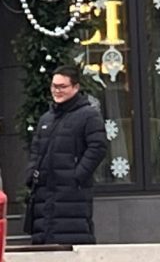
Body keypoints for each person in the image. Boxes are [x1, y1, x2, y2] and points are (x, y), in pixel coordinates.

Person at [24, 65, 107, 245]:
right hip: (44, 195)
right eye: (54, 86)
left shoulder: (88, 115)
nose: (57, 91)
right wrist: (32, 175)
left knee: (71, 241)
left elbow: (98, 146)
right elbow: (36, 149)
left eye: (62, 86)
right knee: (44, 245)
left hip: (72, 196)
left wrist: (77, 176)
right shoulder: (47, 118)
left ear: (75, 87)